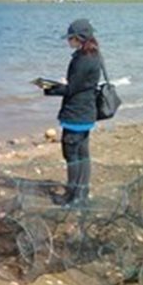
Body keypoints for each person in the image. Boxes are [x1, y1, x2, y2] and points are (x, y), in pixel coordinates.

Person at [36, 18, 102, 207]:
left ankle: (72, 197)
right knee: (83, 154)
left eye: (70, 38)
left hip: (76, 115)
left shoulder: (82, 60)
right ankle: (82, 192)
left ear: (78, 38)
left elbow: (71, 89)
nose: (68, 41)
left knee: (71, 155)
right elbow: (80, 85)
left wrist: (49, 88)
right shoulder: (94, 55)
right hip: (87, 113)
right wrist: (65, 84)